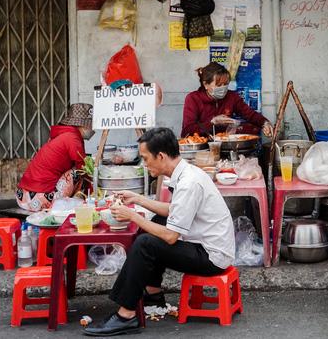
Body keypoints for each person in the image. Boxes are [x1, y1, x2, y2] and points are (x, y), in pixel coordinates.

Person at [83, 127, 235, 336]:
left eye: (146, 158)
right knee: (157, 221)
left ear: (161, 156)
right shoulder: (184, 173)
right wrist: (137, 199)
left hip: (212, 257)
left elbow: (171, 236)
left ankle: (126, 315)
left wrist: (133, 216)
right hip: (203, 245)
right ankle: (153, 295)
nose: (145, 164)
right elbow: (174, 211)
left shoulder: (189, 182)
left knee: (146, 243)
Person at [16, 103, 94, 212]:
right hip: (38, 200)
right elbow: (83, 168)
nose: (92, 128)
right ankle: (72, 205)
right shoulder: (72, 138)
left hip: (22, 197)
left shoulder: (62, 135)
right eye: (91, 125)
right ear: (83, 125)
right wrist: (94, 193)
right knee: (78, 172)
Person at [181, 62, 273, 138]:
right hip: (201, 148)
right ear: (205, 84)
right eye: (219, 85)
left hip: (226, 145)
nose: (223, 88)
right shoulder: (193, 98)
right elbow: (188, 130)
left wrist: (264, 123)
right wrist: (212, 122)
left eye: (225, 84)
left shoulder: (232, 97)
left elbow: (250, 114)